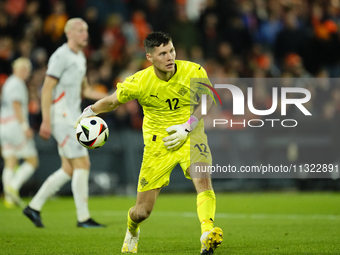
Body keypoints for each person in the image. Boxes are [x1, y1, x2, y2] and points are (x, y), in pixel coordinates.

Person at [75, 32, 223, 254]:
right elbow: (113, 100)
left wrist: (187, 126)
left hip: (190, 134)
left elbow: (208, 99)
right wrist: (90, 111)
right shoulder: (140, 81)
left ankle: (206, 235)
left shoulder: (193, 70)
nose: (169, 57)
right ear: (150, 57)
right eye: (162, 53)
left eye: (171, 51)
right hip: (157, 145)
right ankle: (132, 230)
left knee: (202, 178)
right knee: (142, 211)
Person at [23, 18, 107, 228]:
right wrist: (46, 120)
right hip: (61, 117)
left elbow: (85, 90)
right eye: (80, 30)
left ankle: (33, 207)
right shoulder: (61, 55)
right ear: (68, 33)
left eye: (86, 30)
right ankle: (83, 218)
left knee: (69, 169)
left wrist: (115, 96)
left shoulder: (79, 57)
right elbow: (47, 88)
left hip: (73, 116)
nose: (85, 34)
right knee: (83, 164)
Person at [0, 58, 38, 209]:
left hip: (3, 125)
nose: (27, 73)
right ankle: (13, 187)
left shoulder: (9, 82)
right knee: (32, 161)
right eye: (26, 70)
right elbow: (16, 104)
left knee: (10, 160)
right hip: (14, 125)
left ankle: (9, 197)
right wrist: (24, 126)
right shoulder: (17, 83)